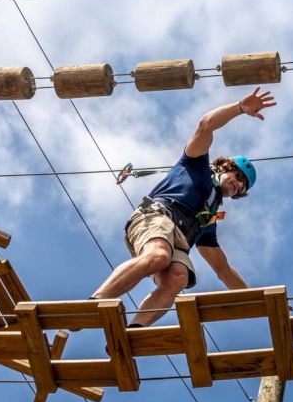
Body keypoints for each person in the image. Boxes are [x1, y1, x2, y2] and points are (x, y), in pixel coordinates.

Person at [91, 87, 275, 326]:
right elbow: (205, 125)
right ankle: (94, 303)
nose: (237, 186)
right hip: (156, 216)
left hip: (177, 239)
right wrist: (240, 107)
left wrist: (258, 302)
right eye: (237, 177)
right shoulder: (196, 165)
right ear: (224, 167)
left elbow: (223, 270)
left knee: (178, 277)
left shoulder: (208, 220)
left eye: (242, 187)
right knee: (158, 256)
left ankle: (135, 329)